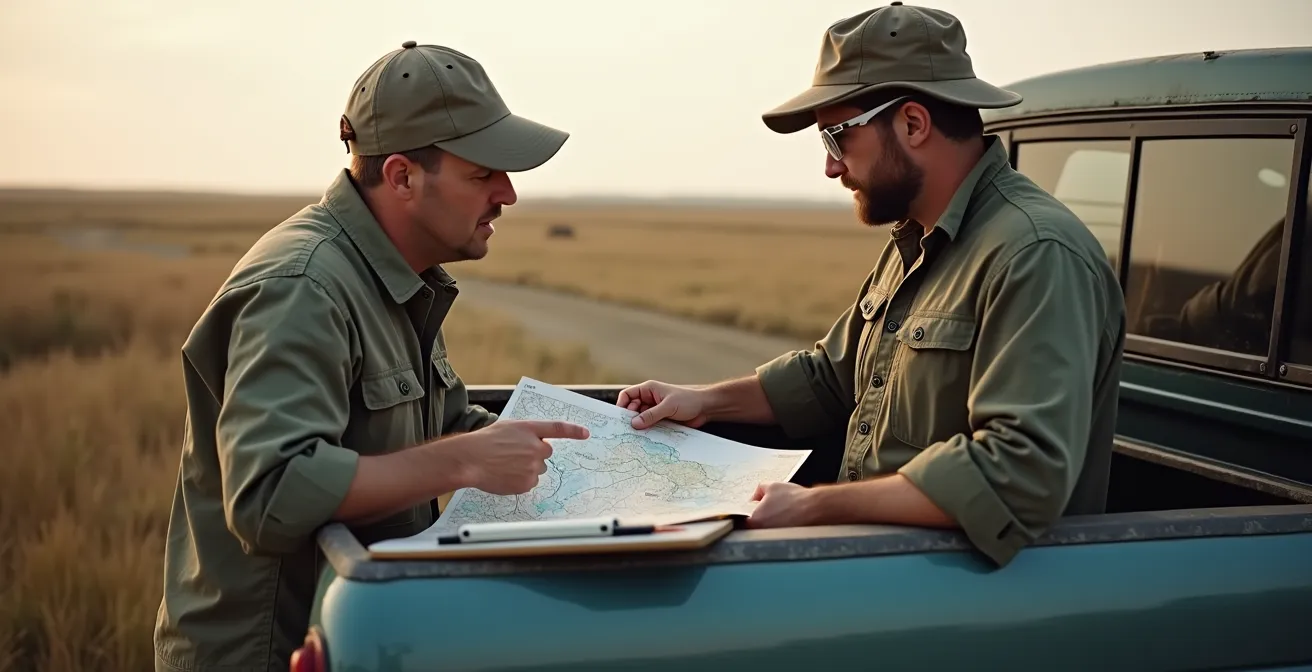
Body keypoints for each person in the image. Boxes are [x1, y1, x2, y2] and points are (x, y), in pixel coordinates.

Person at [617, 4, 1126, 569]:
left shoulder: (1033, 253)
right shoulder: (916, 237)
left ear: (912, 123)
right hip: (886, 577)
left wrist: (814, 508)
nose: (832, 169)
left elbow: (1019, 474)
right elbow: (832, 377)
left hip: (970, 601)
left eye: (837, 138)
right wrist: (706, 401)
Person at [153, 41, 588, 672]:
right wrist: (464, 460)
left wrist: (597, 454)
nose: (508, 194)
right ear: (403, 177)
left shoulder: (396, 272)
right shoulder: (301, 289)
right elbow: (270, 495)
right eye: (481, 173)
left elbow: (438, 427)